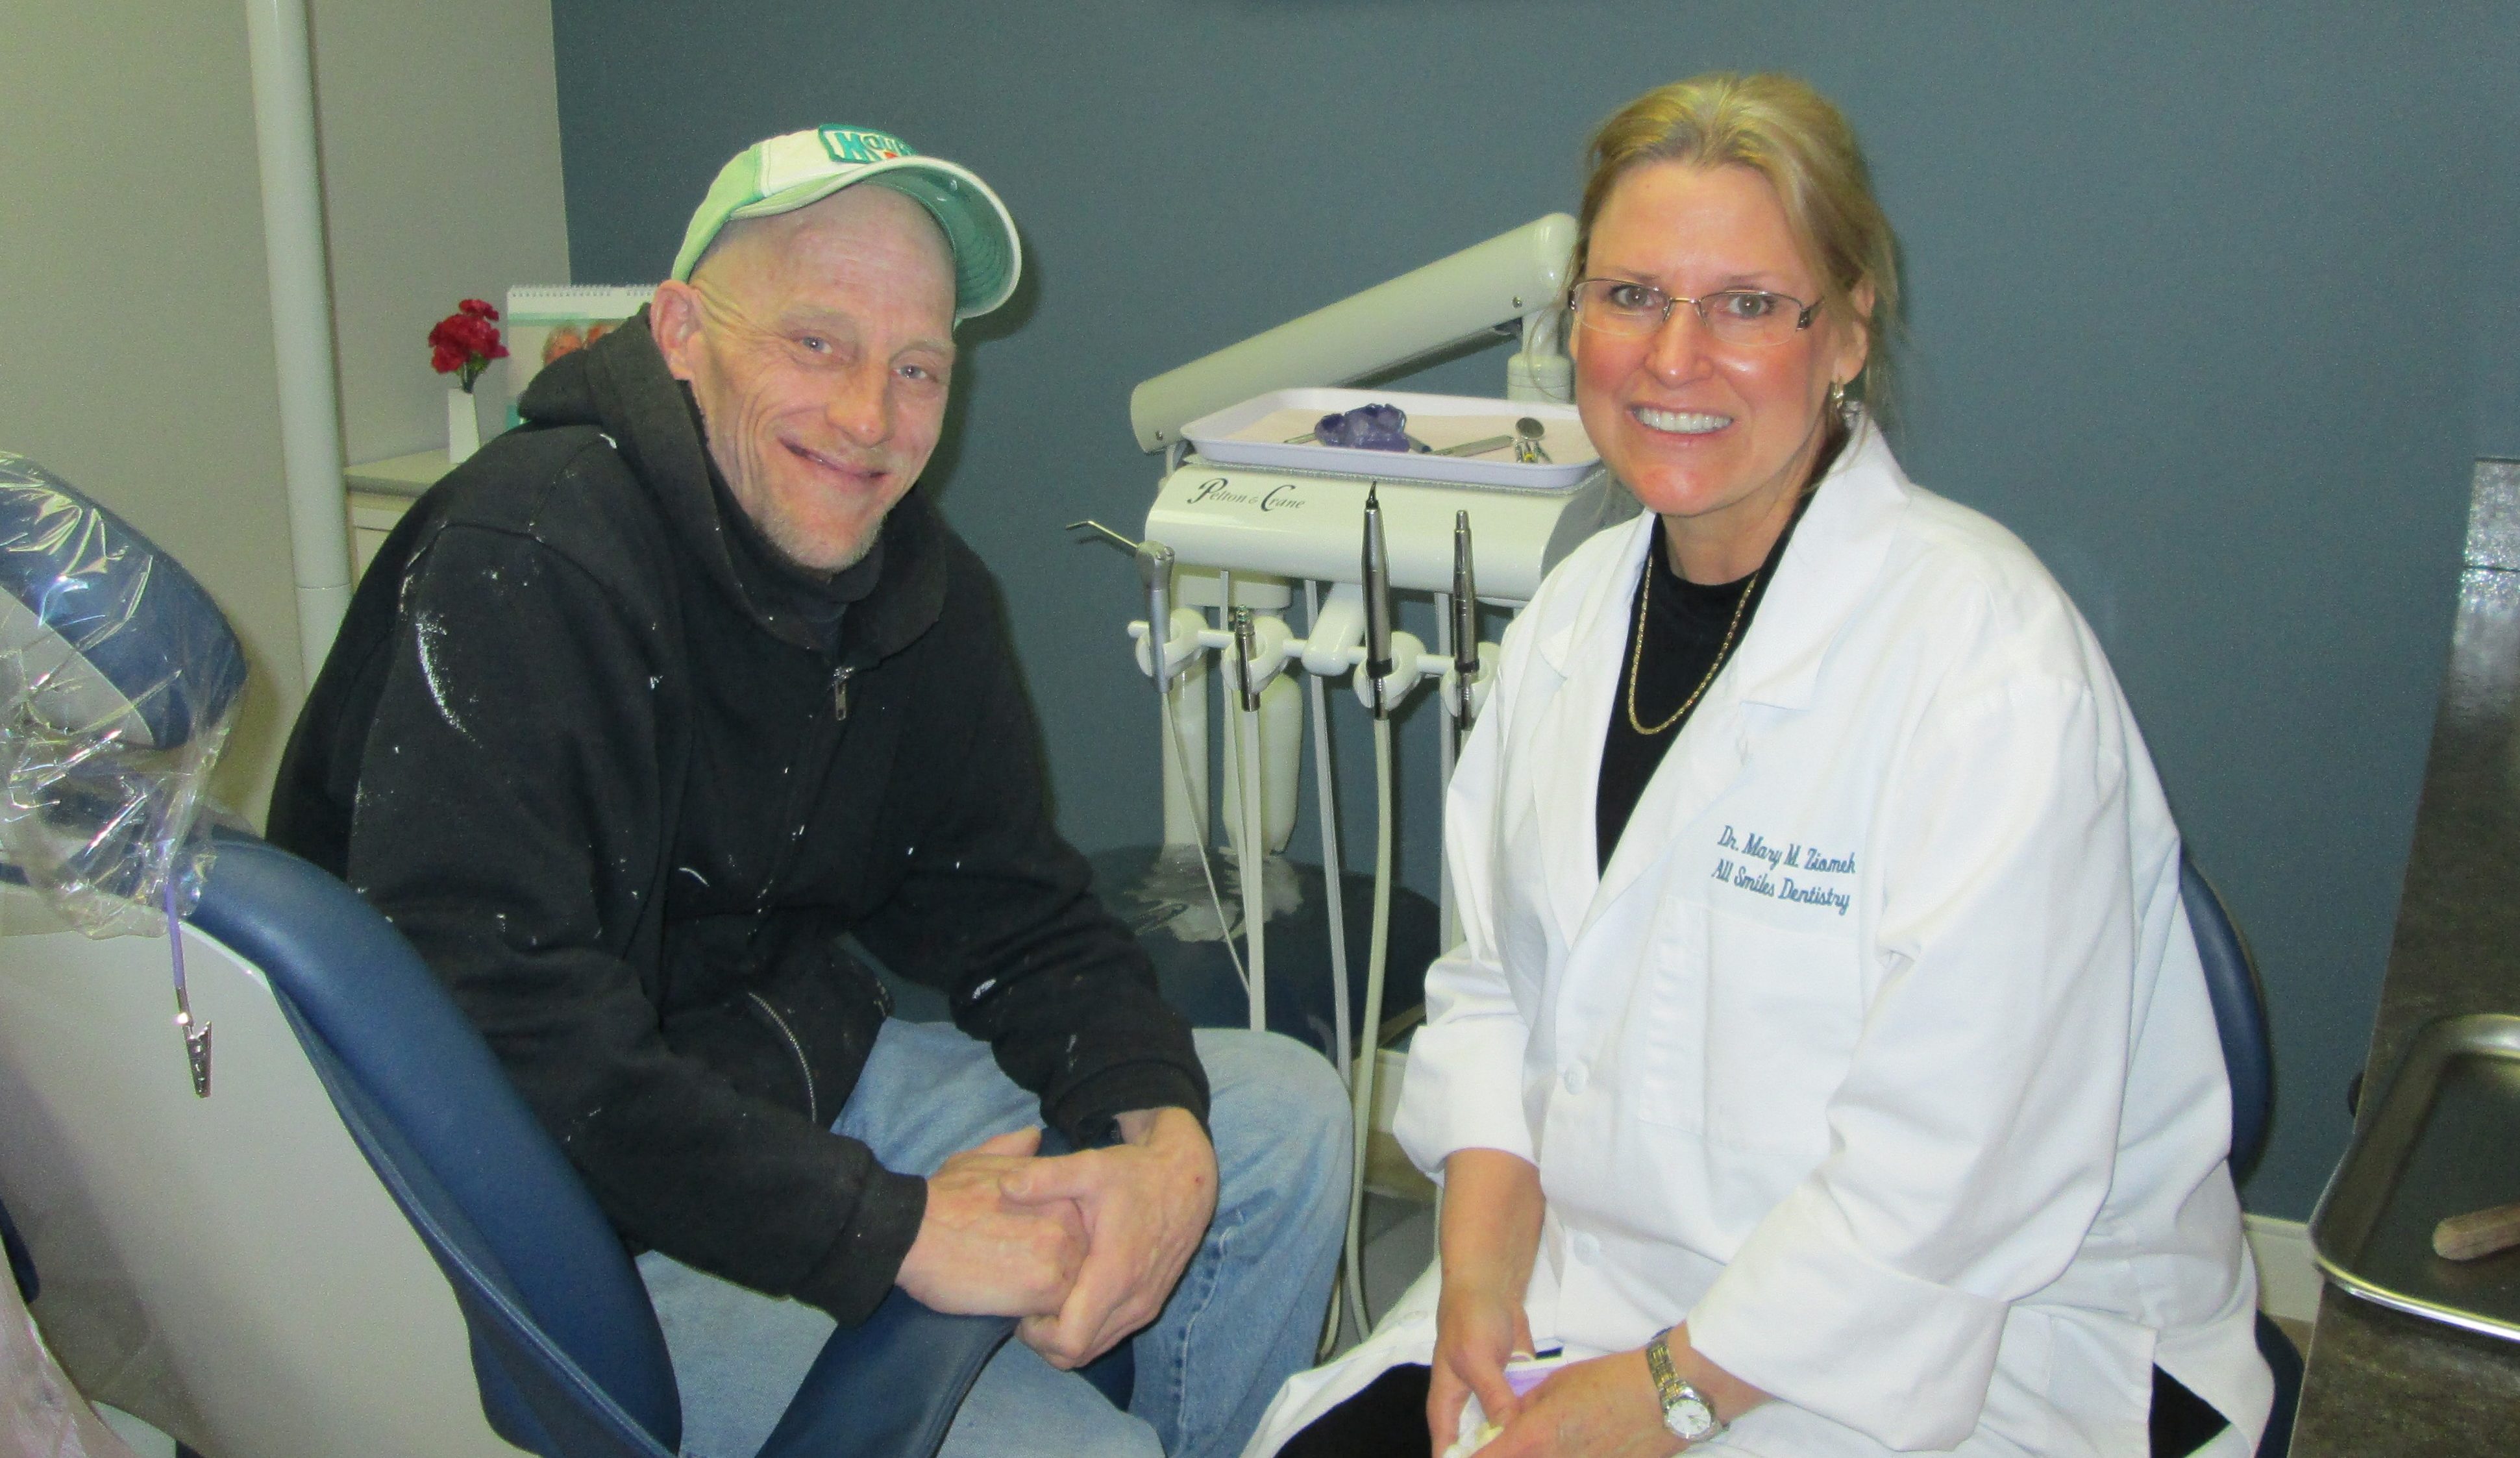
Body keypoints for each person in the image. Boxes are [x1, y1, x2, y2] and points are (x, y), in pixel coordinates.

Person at [269, 125, 1348, 1458]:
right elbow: (497, 1026)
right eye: (816, 343)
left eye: (916, 368)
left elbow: (1018, 915)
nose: (868, 419)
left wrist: (1158, 1131)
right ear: (678, 331)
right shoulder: (535, 554)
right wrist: (887, 1227)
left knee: (1280, 1129)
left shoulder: (914, 595)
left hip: (775, 1086)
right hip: (540, 1210)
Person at [1244, 75, 2271, 1458]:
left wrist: (1660, 1394)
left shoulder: (1986, 666)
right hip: (1614, 1283)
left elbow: (1953, 1182)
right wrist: (1475, 1284)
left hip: (1976, 1338)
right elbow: (1493, 988)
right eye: (1630, 296)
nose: (1674, 356)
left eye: (1744, 303)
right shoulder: (1568, 622)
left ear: (1846, 330)